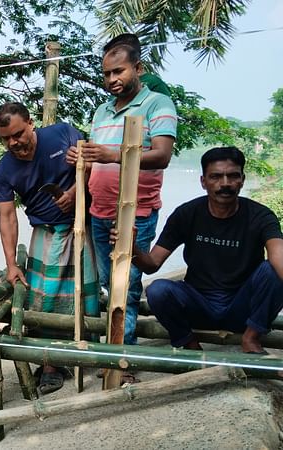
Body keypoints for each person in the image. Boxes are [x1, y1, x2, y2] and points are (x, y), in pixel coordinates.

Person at [66, 33, 178, 356]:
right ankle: (115, 347)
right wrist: (82, 158)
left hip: (135, 213)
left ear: (137, 68)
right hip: (99, 212)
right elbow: (94, 156)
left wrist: (113, 154)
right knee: (106, 285)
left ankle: (121, 361)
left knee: (124, 287)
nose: (112, 79)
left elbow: (162, 155)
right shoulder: (102, 110)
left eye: (119, 71)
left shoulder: (158, 103)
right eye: (107, 74)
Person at [125, 147, 283, 355]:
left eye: (232, 176)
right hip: (199, 306)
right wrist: (131, 247)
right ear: (203, 181)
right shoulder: (187, 214)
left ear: (242, 180)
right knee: (158, 290)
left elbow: (278, 256)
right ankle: (189, 343)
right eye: (216, 177)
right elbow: (152, 265)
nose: (225, 183)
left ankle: (251, 338)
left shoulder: (260, 216)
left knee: (272, 270)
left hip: (243, 309)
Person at [0, 102, 99, 394]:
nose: (14, 143)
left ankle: (92, 352)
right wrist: (12, 264)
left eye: (18, 134)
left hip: (82, 226)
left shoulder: (63, 133)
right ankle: (50, 363)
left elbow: (92, 163)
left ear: (30, 123)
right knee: (43, 300)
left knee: (86, 293)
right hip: (45, 233)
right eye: (6, 139)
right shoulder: (4, 169)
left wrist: (75, 192)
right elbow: (7, 217)